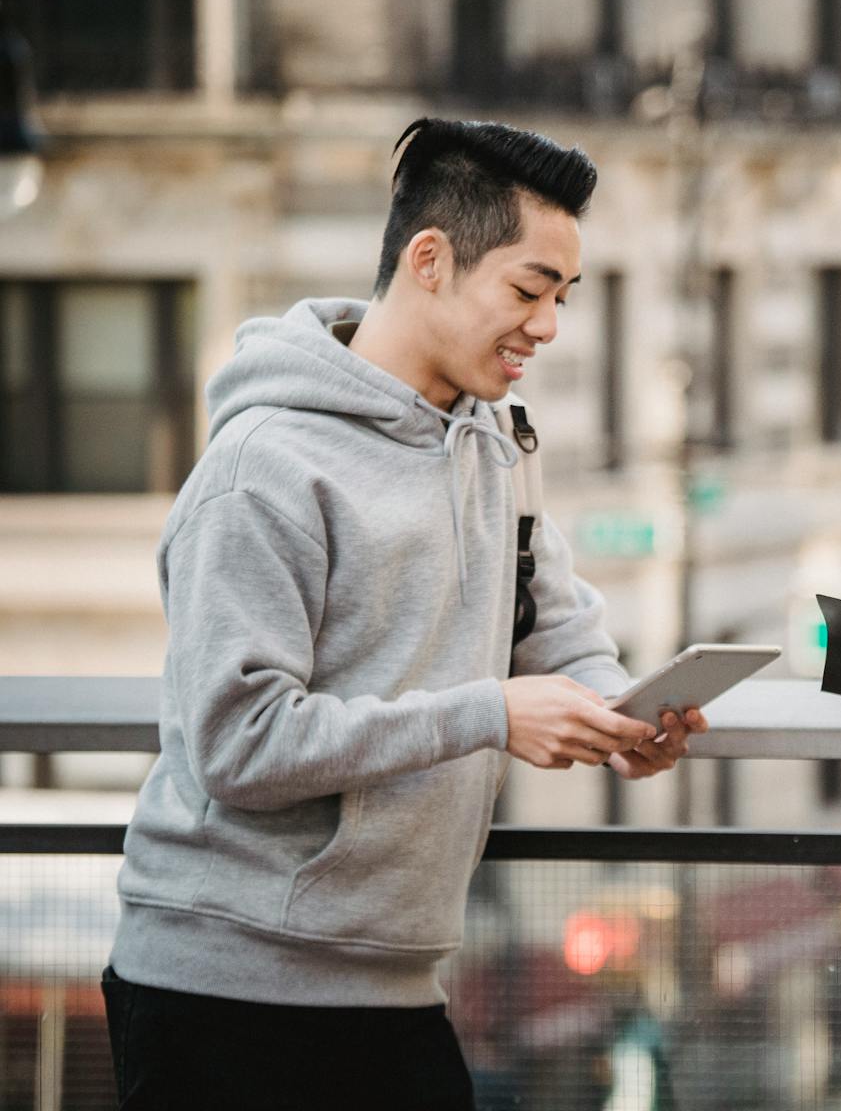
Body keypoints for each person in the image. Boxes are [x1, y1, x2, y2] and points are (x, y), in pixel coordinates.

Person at [104, 118, 705, 1109]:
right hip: (220, 992)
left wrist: (620, 708)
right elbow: (237, 741)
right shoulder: (264, 468)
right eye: (527, 289)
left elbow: (552, 622)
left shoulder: (494, 441)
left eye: (562, 294)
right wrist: (492, 714)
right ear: (429, 259)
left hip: (394, 984)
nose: (549, 325)